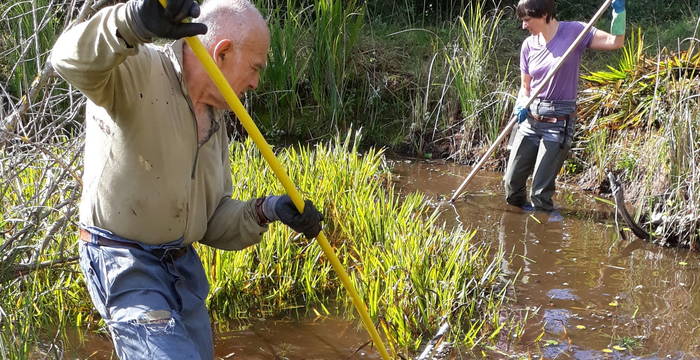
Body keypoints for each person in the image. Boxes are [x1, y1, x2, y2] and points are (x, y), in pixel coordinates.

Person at [50, 0, 323, 358]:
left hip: (182, 271)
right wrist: (133, 19)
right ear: (222, 52)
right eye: (255, 67)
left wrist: (268, 210)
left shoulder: (217, 119)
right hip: (124, 261)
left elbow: (210, 222)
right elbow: (67, 59)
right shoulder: (137, 68)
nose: (256, 82)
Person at [504, 0, 626, 212]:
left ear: (543, 15)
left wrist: (619, 12)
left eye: (526, 20)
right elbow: (525, 86)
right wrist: (521, 103)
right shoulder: (528, 45)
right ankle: (518, 225)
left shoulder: (575, 31)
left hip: (558, 123)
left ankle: (540, 235)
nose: (524, 26)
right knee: (511, 186)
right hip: (530, 120)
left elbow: (615, 42)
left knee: (540, 194)